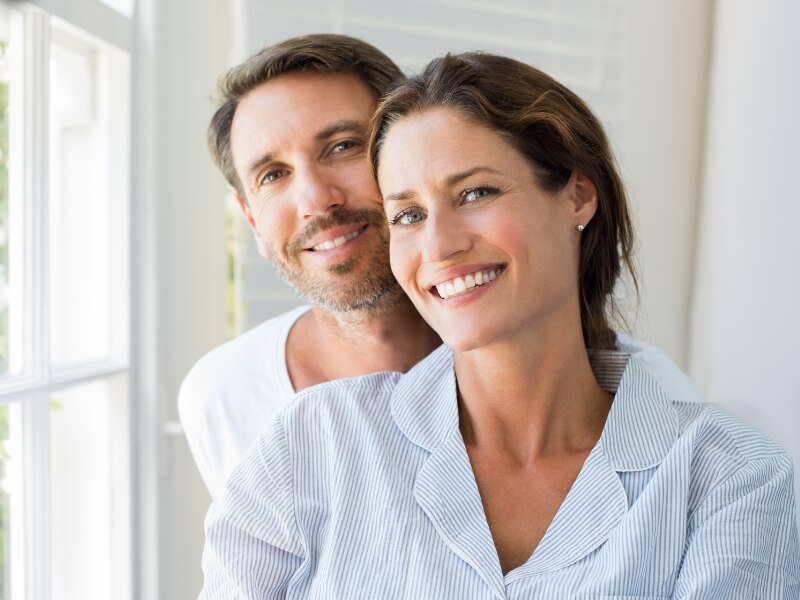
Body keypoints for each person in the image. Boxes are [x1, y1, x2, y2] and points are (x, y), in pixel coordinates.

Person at [200, 52, 800, 597]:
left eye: (476, 192)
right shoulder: (311, 441)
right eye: (408, 214)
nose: (439, 244)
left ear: (578, 196)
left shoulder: (731, 478)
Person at [179, 35, 696, 502]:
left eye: (342, 147)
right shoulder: (223, 396)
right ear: (250, 218)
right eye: (272, 175)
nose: (316, 199)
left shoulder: (653, 407)